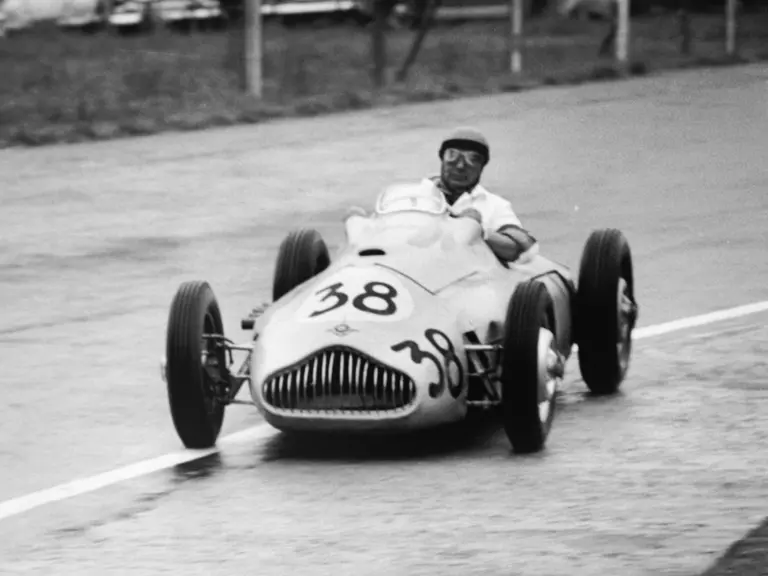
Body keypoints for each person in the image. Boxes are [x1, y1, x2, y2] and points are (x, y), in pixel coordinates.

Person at [423, 127, 539, 264]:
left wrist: (478, 231)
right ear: (442, 159)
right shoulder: (413, 196)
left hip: (469, 276)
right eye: (452, 156)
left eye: (472, 159)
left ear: (482, 167)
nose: (460, 166)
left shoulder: (495, 205)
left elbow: (519, 248)